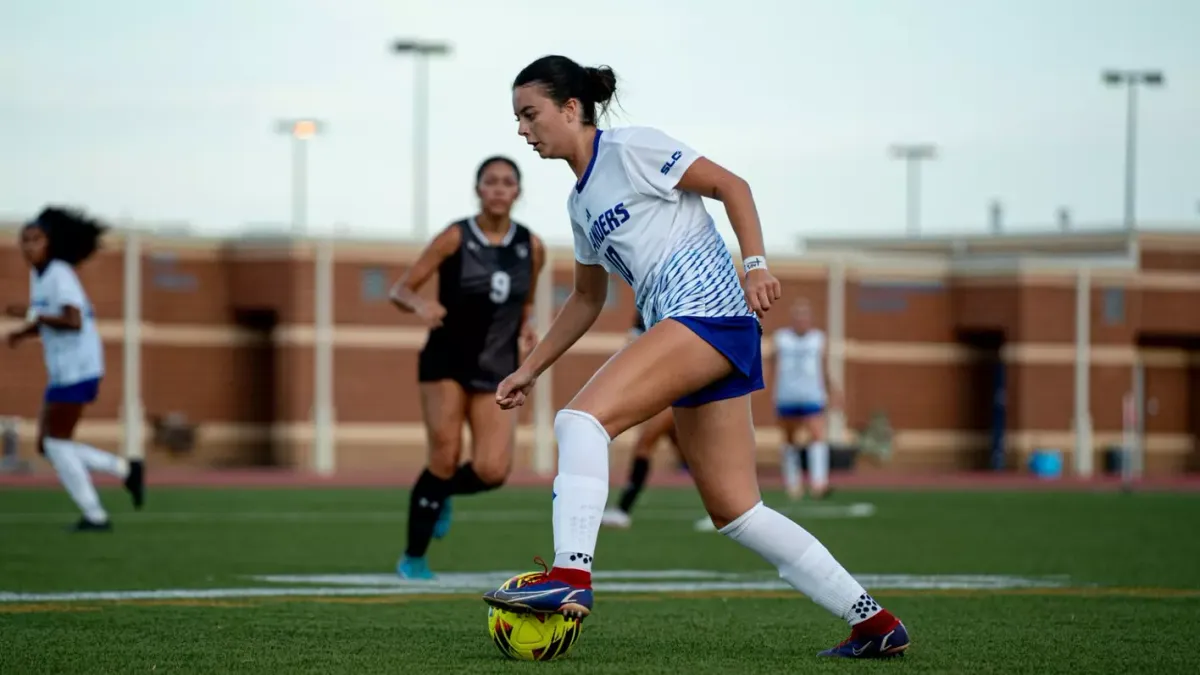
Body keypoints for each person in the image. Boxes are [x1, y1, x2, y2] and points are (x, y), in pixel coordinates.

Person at [481, 55, 910, 659]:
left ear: (571, 109)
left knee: (580, 422)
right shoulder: (579, 205)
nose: (523, 130)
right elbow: (586, 298)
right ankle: (874, 622)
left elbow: (732, 186)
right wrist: (529, 370)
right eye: (518, 119)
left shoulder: (631, 148)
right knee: (738, 512)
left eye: (531, 114)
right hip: (699, 334)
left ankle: (571, 575)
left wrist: (756, 263)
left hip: (707, 317)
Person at [389, 156, 545, 580]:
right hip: (446, 361)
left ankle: (439, 492)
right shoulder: (455, 236)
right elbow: (400, 288)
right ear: (478, 189)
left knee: (493, 470)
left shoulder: (531, 246)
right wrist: (421, 303)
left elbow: (523, 302)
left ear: (518, 191)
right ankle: (413, 557)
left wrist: (528, 325)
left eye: (507, 182)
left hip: (498, 366)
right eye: (490, 182)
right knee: (445, 453)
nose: (498, 188)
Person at [5, 207, 145, 531]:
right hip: (62, 369)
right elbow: (49, 319)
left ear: (51, 243)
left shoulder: (59, 274)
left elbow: (72, 320)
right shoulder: (39, 275)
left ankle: (97, 512)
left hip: (79, 368)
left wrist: (29, 317)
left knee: (56, 444)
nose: (28, 246)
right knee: (49, 445)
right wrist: (24, 333)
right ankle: (124, 472)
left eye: (36, 240)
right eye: (24, 240)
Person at [599, 313, 684, 529]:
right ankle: (723, 503)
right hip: (659, 389)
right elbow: (632, 346)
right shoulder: (643, 311)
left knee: (644, 444)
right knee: (688, 454)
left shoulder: (675, 306)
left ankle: (623, 509)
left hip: (677, 389)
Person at [773, 298, 841, 501]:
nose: (802, 321)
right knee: (790, 439)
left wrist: (833, 391)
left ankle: (819, 484)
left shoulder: (818, 339)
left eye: (805, 317)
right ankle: (793, 484)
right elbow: (770, 365)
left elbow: (824, 368)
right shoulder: (781, 338)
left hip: (812, 394)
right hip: (787, 395)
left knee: (817, 435)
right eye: (798, 317)